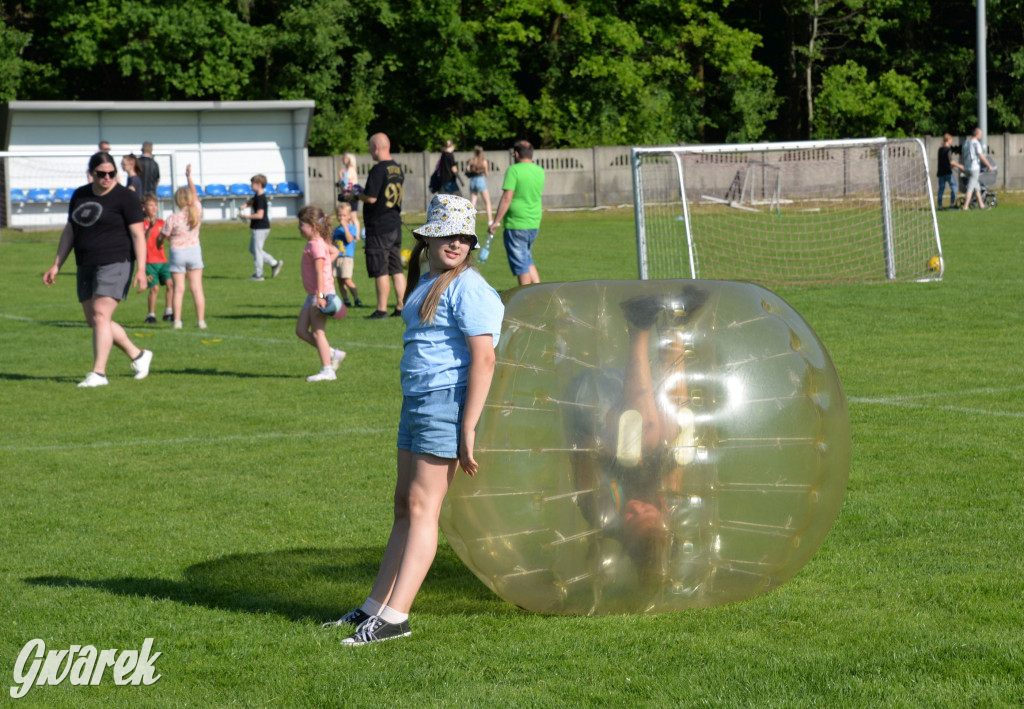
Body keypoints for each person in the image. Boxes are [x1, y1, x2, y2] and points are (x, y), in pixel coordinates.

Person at [322, 194, 503, 646]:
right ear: (430, 237)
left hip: (445, 403)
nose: (457, 243)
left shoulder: (470, 287)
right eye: (449, 234)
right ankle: (374, 607)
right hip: (418, 401)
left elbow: (485, 360)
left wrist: (467, 428)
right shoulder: (428, 281)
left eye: (464, 236)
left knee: (424, 509)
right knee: (404, 504)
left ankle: (397, 617)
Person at [42, 152, 153, 388]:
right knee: (95, 320)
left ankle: (99, 373)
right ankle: (138, 355)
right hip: (85, 263)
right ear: (91, 173)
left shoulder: (126, 197)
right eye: (101, 174)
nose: (107, 177)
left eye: (111, 173)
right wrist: (56, 264)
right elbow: (70, 231)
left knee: (101, 314)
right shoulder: (79, 195)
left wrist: (141, 269)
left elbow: (137, 235)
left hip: (116, 260)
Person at [356, 133, 406, 319]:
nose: (369, 151)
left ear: (376, 147)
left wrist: (355, 194)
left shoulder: (378, 169)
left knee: (380, 268)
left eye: (370, 147)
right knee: (396, 268)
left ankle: (381, 309)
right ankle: (401, 306)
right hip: (395, 223)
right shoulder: (397, 168)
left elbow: (371, 197)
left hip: (379, 225)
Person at [295, 205, 347, 382]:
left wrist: (320, 297)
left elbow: (319, 273)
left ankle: (328, 370)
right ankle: (332, 352)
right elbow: (334, 251)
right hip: (313, 294)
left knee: (318, 332)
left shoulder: (316, 246)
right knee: (301, 330)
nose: (299, 228)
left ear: (313, 227)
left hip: (320, 294)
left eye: (301, 225)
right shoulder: (319, 243)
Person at [488, 140, 545, 286]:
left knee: (521, 266)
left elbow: (507, 197)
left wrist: (496, 221)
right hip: (534, 222)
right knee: (526, 259)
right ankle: (539, 289)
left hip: (516, 223)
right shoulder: (539, 170)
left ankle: (525, 297)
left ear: (517, 154)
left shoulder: (514, 170)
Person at [162, 164, 207, 329]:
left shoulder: (172, 218)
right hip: (194, 251)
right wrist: (189, 177)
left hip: (177, 253)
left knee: (178, 289)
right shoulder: (198, 212)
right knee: (197, 288)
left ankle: (177, 321)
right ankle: (201, 321)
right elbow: (195, 195)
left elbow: (164, 236)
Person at [239, 174, 283, 281]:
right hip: (259, 227)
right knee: (253, 249)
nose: (251, 186)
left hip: (260, 227)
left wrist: (245, 216)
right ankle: (274, 263)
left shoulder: (261, 199)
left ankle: (259, 275)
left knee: (257, 251)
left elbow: (259, 215)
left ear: (259, 184)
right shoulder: (257, 196)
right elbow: (252, 201)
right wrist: (246, 204)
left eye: (252, 184)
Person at [141, 193, 174, 324]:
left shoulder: (162, 223)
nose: (154, 208)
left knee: (170, 284)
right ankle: (151, 315)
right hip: (149, 263)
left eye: (156, 205)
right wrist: (150, 227)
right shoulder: (141, 224)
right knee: (154, 288)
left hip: (163, 261)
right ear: (143, 208)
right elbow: (143, 241)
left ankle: (169, 311)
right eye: (151, 205)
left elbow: (170, 238)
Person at [332, 202, 364, 307]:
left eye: (344, 215)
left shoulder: (351, 228)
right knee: (340, 281)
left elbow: (350, 239)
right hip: (336, 258)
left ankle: (357, 298)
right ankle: (345, 300)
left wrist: (345, 227)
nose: (341, 218)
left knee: (347, 279)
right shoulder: (336, 229)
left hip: (346, 258)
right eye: (339, 215)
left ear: (349, 216)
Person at [962, 127, 995, 211]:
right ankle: (965, 207)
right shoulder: (976, 143)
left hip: (967, 167)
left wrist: (964, 166)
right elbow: (981, 156)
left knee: (977, 187)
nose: (981, 135)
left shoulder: (966, 143)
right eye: (980, 134)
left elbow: (963, 156)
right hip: (974, 168)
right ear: (976, 134)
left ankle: (981, 205)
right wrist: (989, 165)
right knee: (970, 187)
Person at [466, 145, 493, 226]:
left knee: (473, 203)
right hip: (480, 180)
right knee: (487, 202)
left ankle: (470, 220)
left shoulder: (471, 161)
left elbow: (467, 170)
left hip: (473, 181)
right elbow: (487, 174)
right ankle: (490, 220)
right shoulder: (484, 162)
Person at [936, 134, 963, 210]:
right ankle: (951, 204)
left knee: (941, 189)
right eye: (951, 139)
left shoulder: (940, 149)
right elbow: (951, 161)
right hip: (948, 172)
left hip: (941, 172)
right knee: (954, 187)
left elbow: (943, 161)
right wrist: (960, 166)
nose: (951, 141)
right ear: (948, 140)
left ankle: (940, 206)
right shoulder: (948, 150)